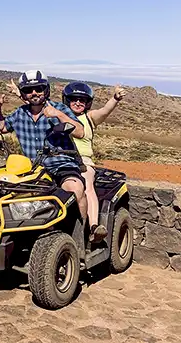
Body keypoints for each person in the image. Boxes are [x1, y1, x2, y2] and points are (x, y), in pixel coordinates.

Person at [0, 70, 88, 220]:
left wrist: (58, 115)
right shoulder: (20, 113)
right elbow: (2, 127)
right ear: (23, 94)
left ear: (46, 90)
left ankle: (81, 233)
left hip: (61, 165)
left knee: (75, 188)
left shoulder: (59, 109)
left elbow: (80, 132)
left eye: (39, 88)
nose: (34, 93)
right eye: (28, 90)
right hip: (31, 168)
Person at [63, 81, 128, 242]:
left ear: (87, 103)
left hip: (83, 162)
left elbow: (105, 111)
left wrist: (115, 98)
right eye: (74, 99)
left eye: (82, 100)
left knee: (86, 184)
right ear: (67, 100)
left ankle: (93, 227)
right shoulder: (60, 115)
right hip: (60, 160)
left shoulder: (89, 118)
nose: (78, 103)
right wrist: (20, 93)